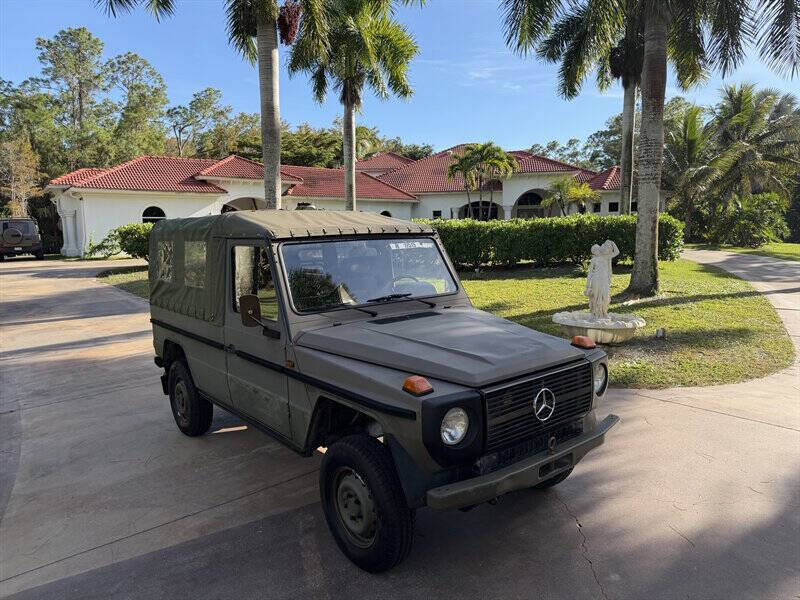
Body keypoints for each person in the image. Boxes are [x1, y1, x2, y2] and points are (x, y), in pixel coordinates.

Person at [584, 240, 619, 317]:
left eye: (596, 249)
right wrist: (587, 285)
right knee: (595, 297)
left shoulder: (606, 257)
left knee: (606, 296)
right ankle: (595, 313)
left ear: (599, 249)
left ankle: (604, 311)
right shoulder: (593, 260)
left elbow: (616, 252)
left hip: (604, 280)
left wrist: (613, 243)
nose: (595, 251)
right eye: (593, 251)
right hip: (596, 279)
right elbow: (590, 273)